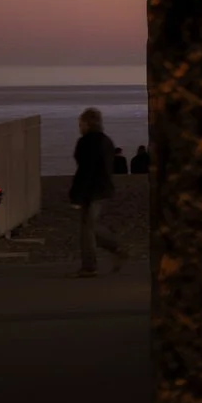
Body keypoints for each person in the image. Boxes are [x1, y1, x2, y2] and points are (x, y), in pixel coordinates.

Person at [69, 107, 129, 277]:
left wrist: (77, 196)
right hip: (103, 188)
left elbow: (85, 171)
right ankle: (116, 249)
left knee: (87, 228)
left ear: (87, 124)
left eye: (81, 123)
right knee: (90, 226)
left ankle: (89, 266)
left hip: (92, 190)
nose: (79, 126)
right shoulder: (106, 141)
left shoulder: (87, 142)